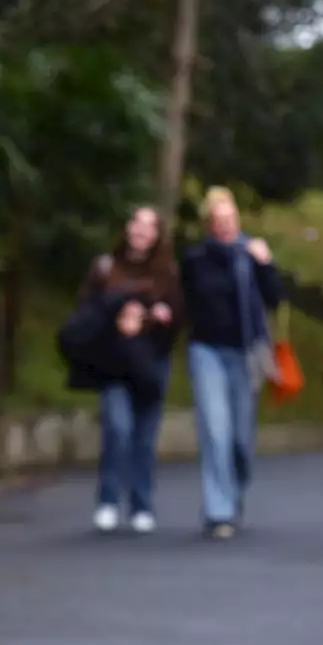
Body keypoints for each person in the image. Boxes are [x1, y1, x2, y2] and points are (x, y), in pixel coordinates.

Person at [64, 206, 183, 534]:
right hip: (114, 361)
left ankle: (142, 505)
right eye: (137, 224)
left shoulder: (166, 273)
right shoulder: (105, 268)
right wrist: (117, 311)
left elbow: (179, 319)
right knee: (118, 428)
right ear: (128, 228)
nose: (142, 232)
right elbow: (85, 314)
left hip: (151, 362)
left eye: (150, 227)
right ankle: (108, 500)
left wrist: (161, 316)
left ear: (157, 235)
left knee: (145, 438)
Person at [179, 188, 281, 540]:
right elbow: (186, 302)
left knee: (240, 437)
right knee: (215, 431)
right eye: (218, 221)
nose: (225, 227)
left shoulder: (250, 254)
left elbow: (275, 298)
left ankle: (234, 492)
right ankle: (218, 510)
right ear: (209, 225)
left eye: (230, 220)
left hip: (245, 352)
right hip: (207, 351)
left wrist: (265, 264)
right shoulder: (195, 259)